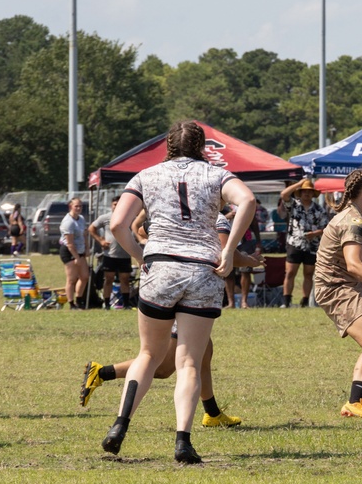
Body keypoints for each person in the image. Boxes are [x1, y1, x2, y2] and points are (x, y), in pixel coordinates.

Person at [99, 120, 256, 464]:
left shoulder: (146, 175)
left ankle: (119, 426)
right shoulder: (216, 175)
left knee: (148, 355)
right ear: (201, 146)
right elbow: (247, 200)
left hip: (161, 269)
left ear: (167, 145)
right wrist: (228, 251)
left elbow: (117, 225)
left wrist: (142, 256)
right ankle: (183, 441)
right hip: (202, 269)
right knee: (188, 362)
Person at [80, 212, 263, 428]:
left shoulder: (177, 212)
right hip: (191, 294)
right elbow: (224, 254)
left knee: (204, 352)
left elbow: (141, 229)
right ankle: (102, 372)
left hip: (165, 283)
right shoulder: (216, 218)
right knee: (165, 367)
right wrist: (250, 261)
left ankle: (212, 413)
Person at [313, 168, 362, 418]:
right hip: (335, 288)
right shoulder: (353, 221)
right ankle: (354, 402)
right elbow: (354, 265)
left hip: (349, 287)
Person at [279, 178, 328, 308]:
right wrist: (299, 184)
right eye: (304, 191)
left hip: (312, 245)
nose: (307, 194)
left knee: (308, 273)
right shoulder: (294, 204)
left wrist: (315, 234)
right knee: (290, 272)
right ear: (300, 192)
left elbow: (325, 227)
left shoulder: (319, 209)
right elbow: (284, 195)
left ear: (313, 194)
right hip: (294, 243)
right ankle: (286, 301)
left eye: (309, 191)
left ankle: (305, 301)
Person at [89, 196, 133, 310]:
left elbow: (136, 227)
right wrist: (100, 240)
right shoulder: (105, 218)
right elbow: (91, 228)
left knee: (125, 279)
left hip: (125, 254)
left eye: (119, 204)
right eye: (114, 204)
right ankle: (107, 304)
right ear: (111, 205)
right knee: (109, 279)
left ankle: (126, 304)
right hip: (110, 254)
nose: (117, 206)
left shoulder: (128, 217)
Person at [59, 198, 89, 309]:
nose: (78, 208)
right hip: (69, 251)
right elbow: (70, 243)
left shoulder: (81, 219)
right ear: (71, 206)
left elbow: (84, 234)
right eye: (76, 206)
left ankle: (79, 300)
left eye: (80, 206)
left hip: (80, 250)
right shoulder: (68, 222)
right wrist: (76, 258)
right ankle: (71, 303)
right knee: (72, 279)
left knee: (84, 276)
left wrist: (87, 248)